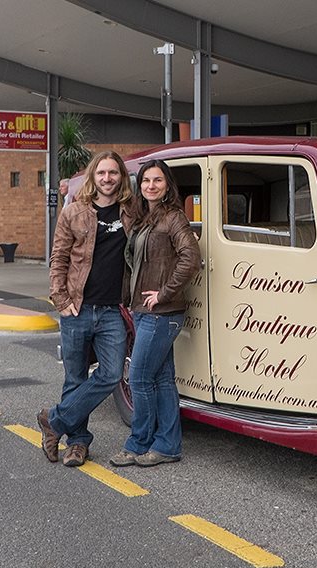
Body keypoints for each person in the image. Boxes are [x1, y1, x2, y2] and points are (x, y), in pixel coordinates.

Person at [37, 151, 135, 467]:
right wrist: (60, 299)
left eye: (114, 173)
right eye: (102, 173)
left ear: (122, 177)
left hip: (111, 311)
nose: (108, 179)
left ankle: (53, 420)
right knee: (75, 378)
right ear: (94, 176)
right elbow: (59, 258)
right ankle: (78, 444)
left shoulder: (131, 212)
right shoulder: (75, 212)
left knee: (109, 374)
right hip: (77, 308)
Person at [110, 159, 200, 467]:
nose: (151, 185)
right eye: (146, 180)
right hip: (142, 311)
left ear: (167, 185)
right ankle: (168, 445)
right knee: (162, 380)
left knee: (139, 378)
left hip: (163, 313)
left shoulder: (173, 218)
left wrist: (164, 293)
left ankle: (139, 443)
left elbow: (191, 258)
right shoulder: (141, 219)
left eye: (157, 180)